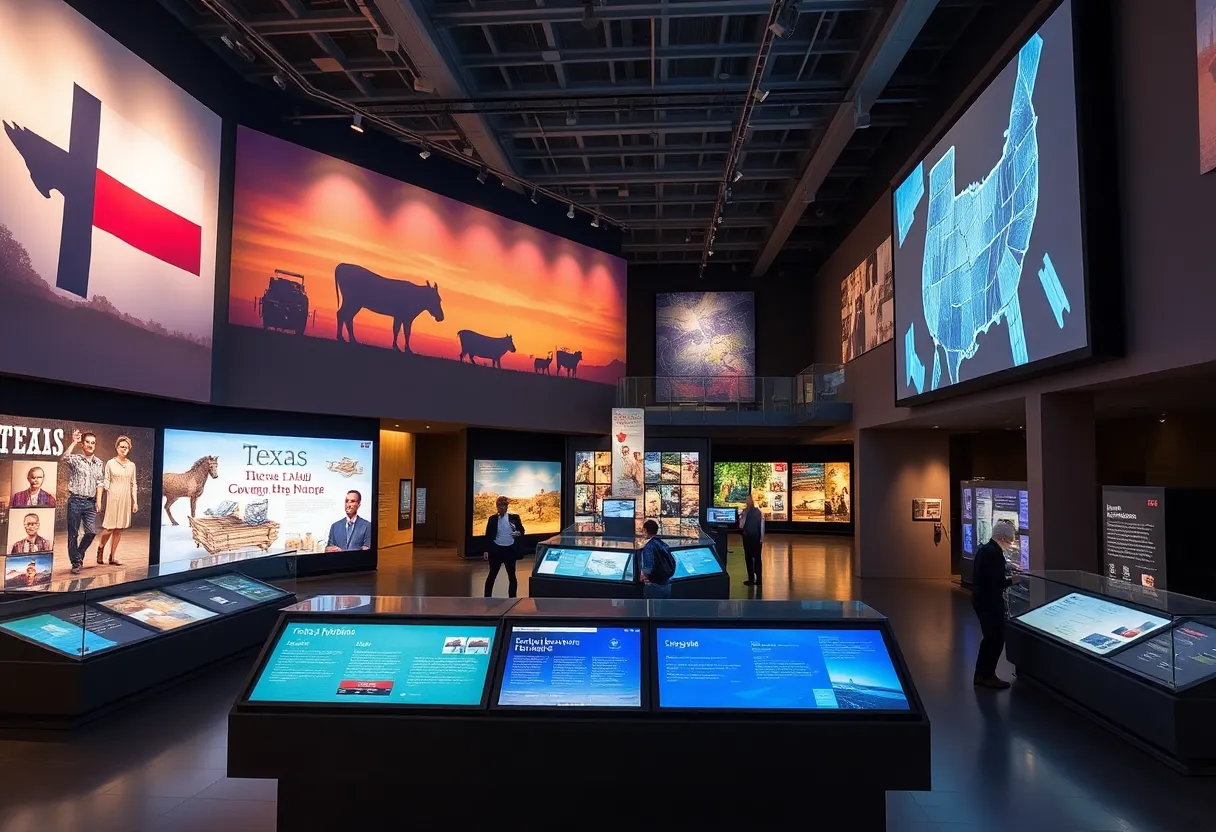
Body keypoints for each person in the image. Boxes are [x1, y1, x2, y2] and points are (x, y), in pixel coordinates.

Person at [973, 519, 1019, 690]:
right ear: (1003, 538)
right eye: (1010, 541)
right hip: (989, 601)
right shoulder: (994, 554)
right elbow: (996, 582)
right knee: (995, 639)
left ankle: (981, 674)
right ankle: (987, 675)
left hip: (981, 599)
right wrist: (1016, 579)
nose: (1011, 544)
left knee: (990, 638)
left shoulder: (986, 549)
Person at [62, 429, 104, 575]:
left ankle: (78, 554)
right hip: (75, 500)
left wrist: (98, 501)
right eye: (87, 442)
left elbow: (100, 483)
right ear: (83, 444)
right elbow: (64, 458)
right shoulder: (76, 459)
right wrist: (74, 441)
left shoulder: (99, 463)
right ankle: (75, 562)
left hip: (90, 503)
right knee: (73, 533)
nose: (90, 445)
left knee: (91, 532)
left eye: (93, 443)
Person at [95, 435, 137, 567]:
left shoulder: (131, 465)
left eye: (126, 447)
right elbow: (106, 480)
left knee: (119, 528)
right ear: (117, 448)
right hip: (113, 497)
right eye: (121, 447)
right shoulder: (110, 463)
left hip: (125, 499)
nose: (123, 449)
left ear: (129, 449)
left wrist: (135, 501)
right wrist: (104, 493)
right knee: (109, 528)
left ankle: (112, 557)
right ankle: (101, 547)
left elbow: (133, 484)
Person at [483, 496, 524, 598]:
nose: (501, 508)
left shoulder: (514, 518)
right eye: (499, 505)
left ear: (507, 507)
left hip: (510, 550)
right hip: (496, 550)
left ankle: (512, 600)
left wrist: (518, 532)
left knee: (512, 576)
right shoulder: (492, 519)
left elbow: (522, 530)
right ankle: (487, 598)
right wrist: (486, 550)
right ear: (497, 506)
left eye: (504, 505)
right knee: (492, 575)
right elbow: (488, 536)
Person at [638, 519, 675, 599]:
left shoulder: (649, 546)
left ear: (645, 530)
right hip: (667, 585)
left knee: (652, 610)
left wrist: (643, 576)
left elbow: (648, 567)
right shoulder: (663, 544)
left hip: (654, 586)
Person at [739, 494, 764, 586]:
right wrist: (761, 538)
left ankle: (751, 578)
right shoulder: (759, 512)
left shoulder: (745, 512)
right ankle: (759, 580)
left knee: (749, 558)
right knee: (757, 558)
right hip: (757, 538)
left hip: (748, 538)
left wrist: (741, 517)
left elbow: (741, 525)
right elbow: (762, 526)